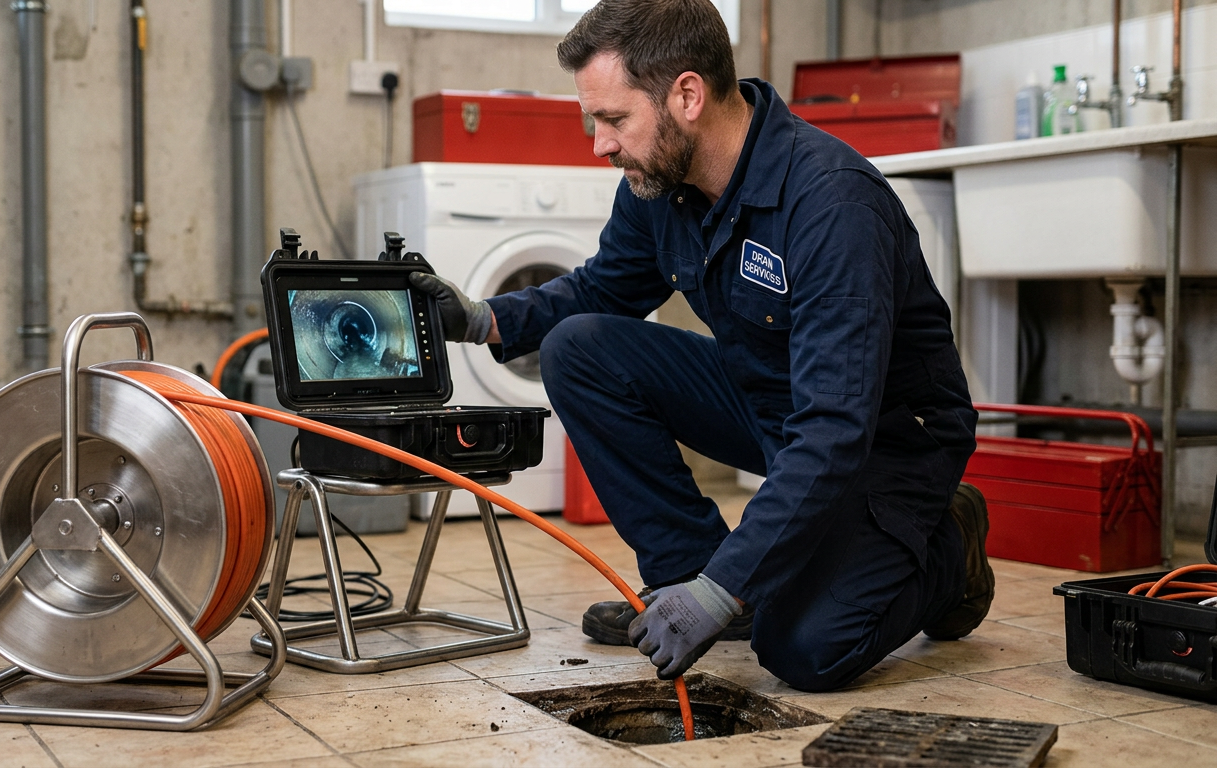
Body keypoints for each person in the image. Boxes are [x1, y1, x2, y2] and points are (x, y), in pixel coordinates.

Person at [408, 0, 992, 693]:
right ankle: (690, 573)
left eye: (614, 119)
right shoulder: (662, 184)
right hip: (769, 397)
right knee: (581, 348)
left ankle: (950, 546)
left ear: (686, 94)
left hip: (883, 440)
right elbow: (602, 292)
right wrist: (479, 318)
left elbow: (836, 427)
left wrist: (729, 590)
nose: (599, 144)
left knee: (802, 649)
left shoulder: (832, 204)